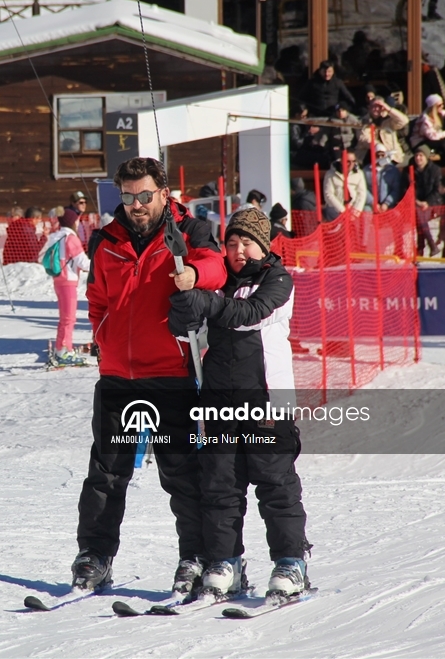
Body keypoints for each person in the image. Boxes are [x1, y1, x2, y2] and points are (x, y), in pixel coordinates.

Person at [73, 156, 227, 593]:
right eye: (127, 196)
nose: (136, 204)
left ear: (163, 193)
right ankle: (94, 556)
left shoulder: (188, 231)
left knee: (179, 471)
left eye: (144, 196)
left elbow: (217, 269)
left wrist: (194, 273)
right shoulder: (107, 238)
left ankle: (193, 557)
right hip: (119, 376)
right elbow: (97, 297)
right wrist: (103, 343)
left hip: (170, 374)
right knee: (106, 472)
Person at [168, 208, 312, 599]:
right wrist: (182, 316)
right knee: (219, 484)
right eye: (231, 243)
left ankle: (290, 561)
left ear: (263, 245)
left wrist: (206, 304)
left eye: (246, 242)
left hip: (267, 400)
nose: (238, 250)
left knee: (274, 482)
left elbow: (249, 315)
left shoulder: (278, 280)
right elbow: (192, 338)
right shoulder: (217, 284)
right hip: (219, 399)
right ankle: (225, 561)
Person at [39, 207, 90, 367]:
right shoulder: (71, 238)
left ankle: (64, 347)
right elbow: (82, 262)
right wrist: (100, 264)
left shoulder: (57, 237)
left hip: (59, 280)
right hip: (68, 281)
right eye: (76, 220)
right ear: (72, 222)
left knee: (65, 318)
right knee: (69, 318)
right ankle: (63, 350)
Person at [403, 146, 442, 256]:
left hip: (431, 203)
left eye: (421, 156)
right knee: (418, 213)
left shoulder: (435, 170)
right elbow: (405, 190)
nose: (418, 158)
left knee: (419, 215)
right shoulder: (408, 170)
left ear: (426, 157)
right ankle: (430, 245)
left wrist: (427, 202)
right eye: (416, 155)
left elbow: (437, 190)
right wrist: (416, 201)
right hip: (415, 203)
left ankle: (421, 247)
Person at [355, 98, 409, 166]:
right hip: (368, 154)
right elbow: (363, 138)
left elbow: (404, 121)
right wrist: (379, 146)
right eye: (374, 106)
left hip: (390, 154)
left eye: (379, 106)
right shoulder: (363, 121)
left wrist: (388, 109)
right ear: (369, 107)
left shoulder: (389, 120)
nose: (376, 109)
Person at [362, 142, 402, 211]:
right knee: (366, 212)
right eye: (377, 155)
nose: (380, 157)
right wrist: (373, 202)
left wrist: (387, 203)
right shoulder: (366, 171)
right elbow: (363, 189)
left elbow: (396, 189)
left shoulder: (393, 170)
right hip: (371, 205)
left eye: (382, 155)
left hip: (388, 205)